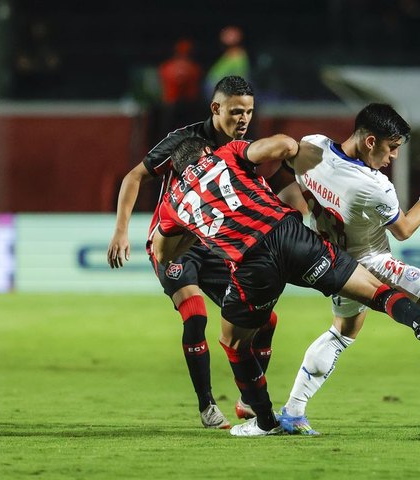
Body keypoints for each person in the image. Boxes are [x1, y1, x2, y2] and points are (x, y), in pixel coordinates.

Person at [152, 135, 420, 437]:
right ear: (205, 153)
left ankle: (266, 421)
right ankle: (418, 321)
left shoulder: (174, 200)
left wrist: (196, 228)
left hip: (253, 264)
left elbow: (163, 252)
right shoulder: (227, 153)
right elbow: (281, 145)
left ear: (180, 170)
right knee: (374, 290)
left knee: (234, 342)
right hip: (291, 236)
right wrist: (295, 155)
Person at [274, 103, 420, 434]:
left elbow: (287, 176)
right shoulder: (374, 185)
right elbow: (403, 230)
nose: (394, 157)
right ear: (371, 141)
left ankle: (293, 411)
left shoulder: (312, 146)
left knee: (341, 333)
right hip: (372, 261)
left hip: (336, 264)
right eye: (392, 148)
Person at [106, 76, 271, 429]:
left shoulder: (245, 151)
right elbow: (134, 177)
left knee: (266, 320)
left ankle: (248, 400)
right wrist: (121, 230)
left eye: (249, 112)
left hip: (212, 245)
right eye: (236, 111)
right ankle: (208, 406)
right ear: (216, 108)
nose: (244, 119)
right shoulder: (184, 141)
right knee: (195, 314)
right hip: (173, 243)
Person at [157, 39, 203, 139]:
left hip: (170, 105)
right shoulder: (194, 68)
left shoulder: (166, 67)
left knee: (168, 134)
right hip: (188, 105)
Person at [204, 26, 250, 97]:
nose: (223, 36)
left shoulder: (238, 56)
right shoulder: (228, 54)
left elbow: (240, 77)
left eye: (228, 35)